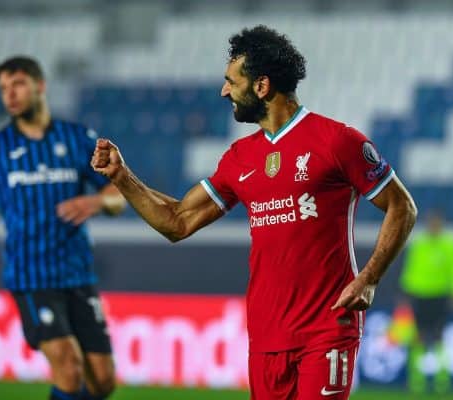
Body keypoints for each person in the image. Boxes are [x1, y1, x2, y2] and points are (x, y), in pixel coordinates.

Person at [92, 26, 417, 400]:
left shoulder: (337, 141)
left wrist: (370, 278)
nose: (224, 91)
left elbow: (401, 205)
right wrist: (121, 175)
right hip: (266, 336)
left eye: (232, 82)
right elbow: (177, 221)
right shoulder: (238, 159)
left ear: (261, 86)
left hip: (326, 328)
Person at [0, 56, 126, 400]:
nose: (9, 95)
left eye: (17, 84)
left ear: (39, 85)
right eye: (3, 88)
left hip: (78, 275)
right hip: (31, 278)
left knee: (103, 381)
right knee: (67, 364)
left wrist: (97, 202)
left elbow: (119, 191)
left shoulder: (76, 139)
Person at [398, 210, 453, 394]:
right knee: (417, 337)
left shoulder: (451, 244)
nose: (433, 225)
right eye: (431, 222)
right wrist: (405, 291)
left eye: (437, 222)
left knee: (439, 337)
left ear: (442, 223)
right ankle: (417, 382)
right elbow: (411, 268)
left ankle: (442, 381)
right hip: (419, 294)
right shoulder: (419, 243)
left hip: (440, 294)